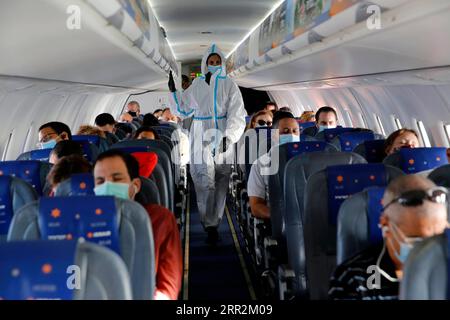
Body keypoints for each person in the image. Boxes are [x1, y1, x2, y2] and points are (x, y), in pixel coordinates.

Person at [168, 44, 247, 244]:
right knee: (204, 179)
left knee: (220, 180)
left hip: (222, 133)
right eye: (210, 62)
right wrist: (173, 93)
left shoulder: (230, 85)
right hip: (200, 131)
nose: (213, 65)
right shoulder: (197, 84)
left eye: (217, 62)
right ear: (205, 64)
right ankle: (208, 223)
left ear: (222, 63)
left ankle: (216, 220)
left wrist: (229, 137)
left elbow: (237, 115)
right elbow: (183, 109)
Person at [328, 175, 448, 300]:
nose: (428, 249)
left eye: (438, 239)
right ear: (386, 225)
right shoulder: (353, 279)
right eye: (416, 239)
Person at [93, 149, 182, 300]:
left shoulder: (159, 219)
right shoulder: (82, 221)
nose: (107, 187)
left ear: (135, 185)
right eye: (100, 181)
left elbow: (168, 285)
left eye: (116, 179)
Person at [248, 112, 300, 219]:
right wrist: (282, 218)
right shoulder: (260, 165)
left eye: (295, 131)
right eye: (285, 132)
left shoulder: (309, 160)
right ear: (274, 135)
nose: (292, 135)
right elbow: (256, 206)